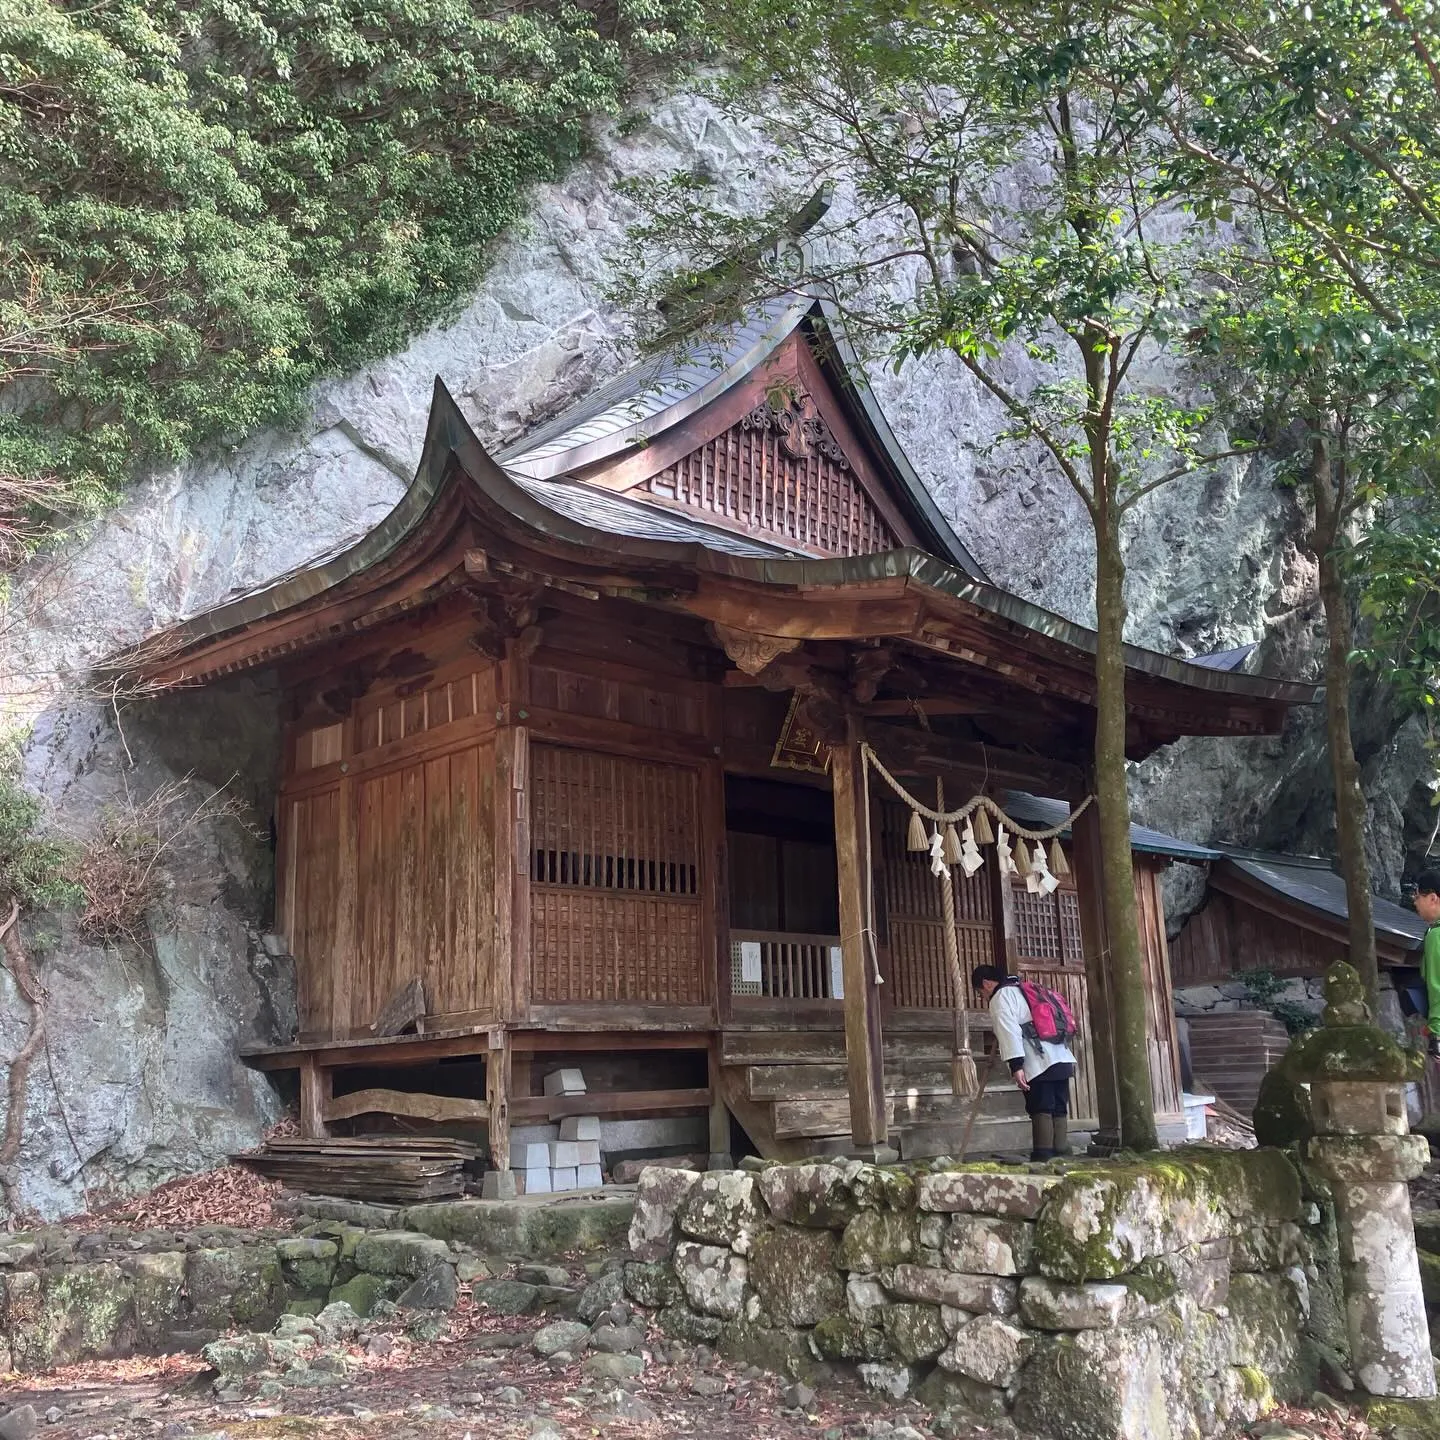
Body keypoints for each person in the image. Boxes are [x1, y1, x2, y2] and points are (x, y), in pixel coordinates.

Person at [971, 963, 1077, 1160]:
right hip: (1062, 1056)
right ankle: (1062, 1153)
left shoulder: (1000, 998)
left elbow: (1009, 1032)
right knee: (1059, 1106)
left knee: (1041, 1106)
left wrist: (1016, 1066)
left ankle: (1044, 1155)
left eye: (980, 993)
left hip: (1040, 1061)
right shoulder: (1024, 989)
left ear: (986, 984)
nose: (982, 997)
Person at [1413, 870, 1440, 1058]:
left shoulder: (1436, 935)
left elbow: (1436, 985)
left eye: (1417, 896)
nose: (1415, 902)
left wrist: (1436, 1032)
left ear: (1432, 898)